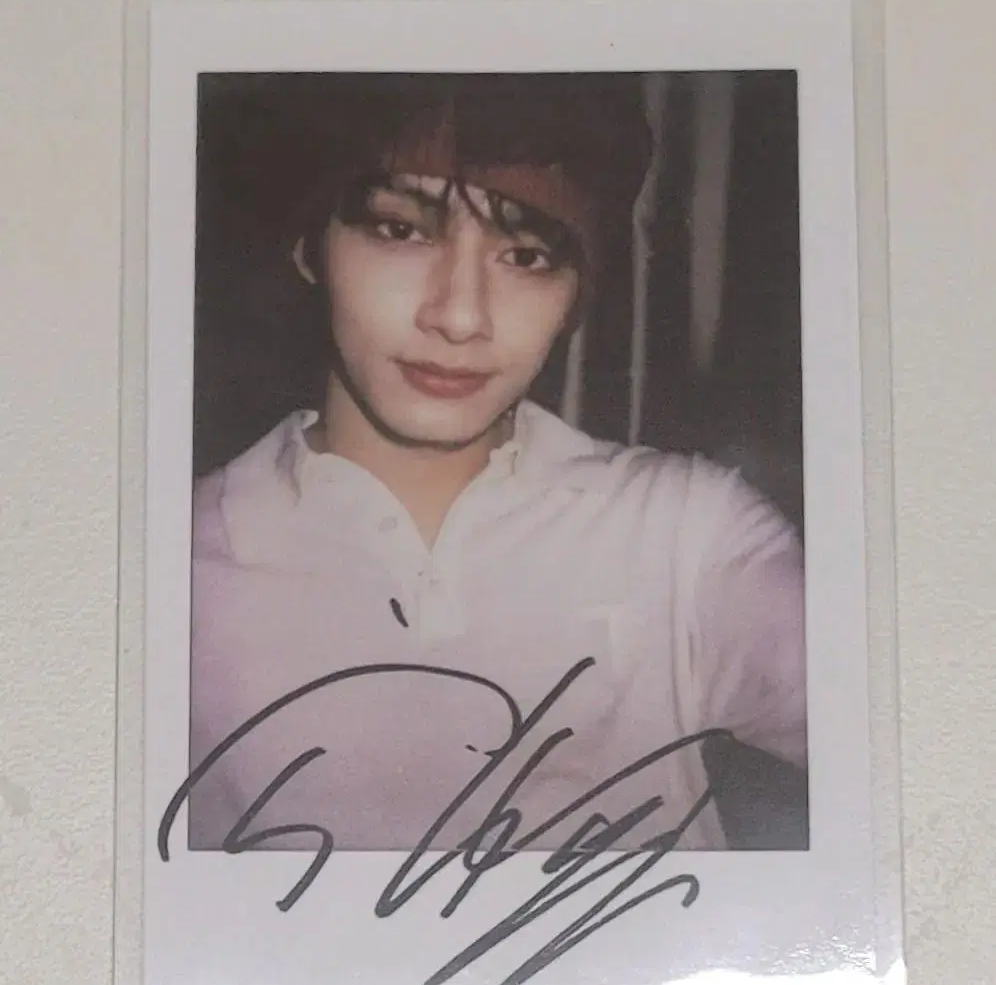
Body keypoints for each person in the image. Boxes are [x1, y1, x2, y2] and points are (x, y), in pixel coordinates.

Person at [187, 73, 807, 855]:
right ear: (310, 244)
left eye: (526, 255)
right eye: (401, 231)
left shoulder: (687, 535)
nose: (460, 315)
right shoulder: (166, 571)